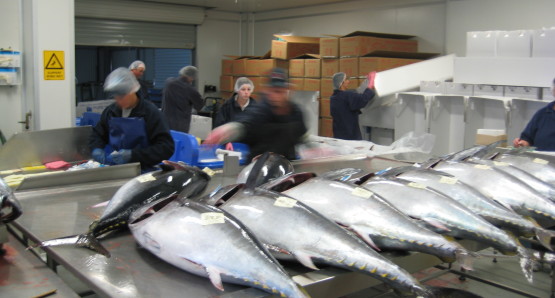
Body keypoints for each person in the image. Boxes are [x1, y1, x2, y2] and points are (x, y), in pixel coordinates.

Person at [204, 68, 307, 161]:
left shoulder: (296, 112)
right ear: (267, 90)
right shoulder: (261, 110)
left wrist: (311, 148)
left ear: (288, 91)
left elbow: (302, 136)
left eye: (279, 91)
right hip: (258, 168)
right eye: (273, 91)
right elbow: (247, 121)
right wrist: (229, 129)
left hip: (286, 167)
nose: (276, 95)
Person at [89, 67, 175, 169]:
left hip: (144, 170)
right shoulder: (111, 112)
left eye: (122, 97)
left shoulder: (150, 113)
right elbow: (98, 134)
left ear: (132, 90)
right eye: (116, 97)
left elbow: (166, 148)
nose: (119, 101)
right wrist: (96, 148)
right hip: (116, 168)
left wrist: (134, 155)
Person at [330, 72, 376, 140]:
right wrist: (370, 85)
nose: (348, 81)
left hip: (338, 135)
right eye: (346, 80)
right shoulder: (347, 95)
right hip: (350, 136)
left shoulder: (333, 97)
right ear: (341, 83)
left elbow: (353, 96)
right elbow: (363, 99)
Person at [513, 78, 555, 151]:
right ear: (553, 91)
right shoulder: (542, 113)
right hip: (539, 160)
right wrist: (522, 143)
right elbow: (527, 139)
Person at [161, 66, 204, 133]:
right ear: (191, 77)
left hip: (165, 122)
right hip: (180, 126)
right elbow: (199, 105)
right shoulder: (190, 89)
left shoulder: (168, 82)